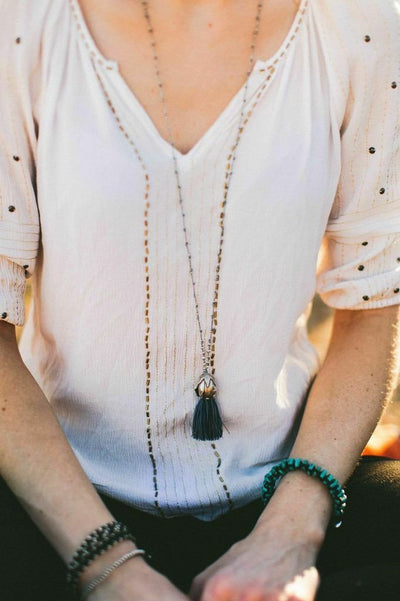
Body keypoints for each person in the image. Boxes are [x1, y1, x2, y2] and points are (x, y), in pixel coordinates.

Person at [0, 0, 400, 600]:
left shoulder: (361, 24)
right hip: (57, 496)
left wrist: (291, 533)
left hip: (287, 483)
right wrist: (109, 568)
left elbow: (373, 304)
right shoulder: (21, 26)